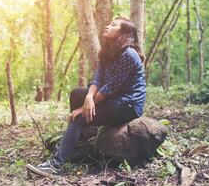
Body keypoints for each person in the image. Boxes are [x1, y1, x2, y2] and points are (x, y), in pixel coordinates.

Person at [38, 16, 146, 174]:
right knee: (77, 93)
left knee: (79, 117)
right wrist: (88, 98)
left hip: (128, 104)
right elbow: (98, 79)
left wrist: (82, 109)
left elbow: (111, 87)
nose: (108, 26)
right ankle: (76, 141)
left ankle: (55, 164)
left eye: (113, 25)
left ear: (123, 33)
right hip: (112, 98)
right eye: (109, 23)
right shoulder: (107, 51)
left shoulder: (129, 54)